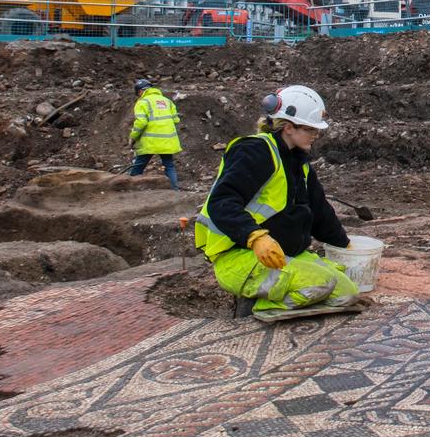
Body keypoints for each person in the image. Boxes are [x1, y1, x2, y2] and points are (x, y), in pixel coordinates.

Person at [193, 85, 361, 323]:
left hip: (285, 255)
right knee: (321, 283)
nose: (316, 134)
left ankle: (284, 296)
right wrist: (255, 237)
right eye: (310, 129)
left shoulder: (299, 163)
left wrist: (346, 245)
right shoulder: (255, 151)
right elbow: (222, 201)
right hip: (242, 256)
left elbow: (320, 211)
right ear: (289, 128)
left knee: (347, 292)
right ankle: (254, 307)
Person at [128, 79, 182, 189]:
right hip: (167, 140)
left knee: (139, 165)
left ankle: (130, 187)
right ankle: (175, 191)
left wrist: (133, 137)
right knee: (169, 166)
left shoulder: (142, 102)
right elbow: (176, 120)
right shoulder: (167, 101)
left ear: (140, 91)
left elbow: (141, 122)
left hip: (150, 141)